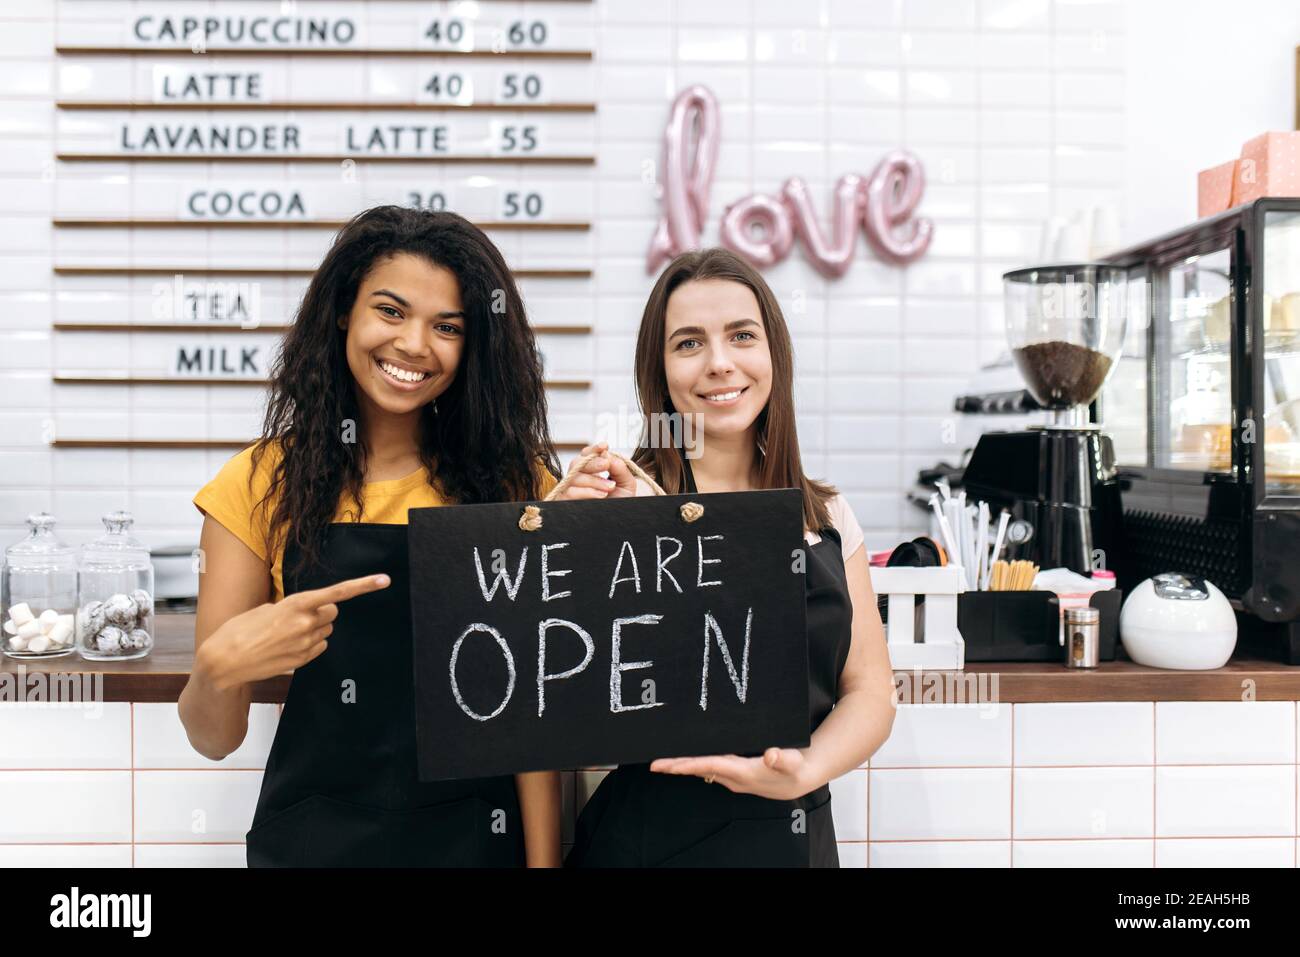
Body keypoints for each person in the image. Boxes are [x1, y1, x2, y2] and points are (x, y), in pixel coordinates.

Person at [179, 206, 574, 867]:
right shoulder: (257, 481)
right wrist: (220, 666)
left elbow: (531, 723)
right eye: (390, 311)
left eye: (447, 326)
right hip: (313, 842)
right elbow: (214, 737)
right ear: (343, 314)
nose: (416, 343)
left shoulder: (517, 483)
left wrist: (542, 865)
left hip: (474, 842)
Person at [563, 247, 897, 867]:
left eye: (741, 336)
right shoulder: (619, 499)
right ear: (659, 371)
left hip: (792, 837)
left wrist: (805, 769)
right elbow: (553, 690)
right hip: (647, 841)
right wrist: (550, 527)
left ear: (773, 353)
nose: (720, 364)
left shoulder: (826, 515)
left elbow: (871, 691)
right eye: (689, 344)